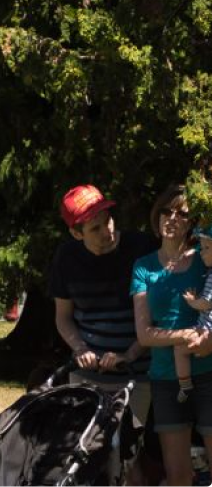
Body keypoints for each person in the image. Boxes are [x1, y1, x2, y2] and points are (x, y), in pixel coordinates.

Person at [49, 184, 155, 422]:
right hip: (87, 373)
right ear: (77, 234)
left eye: (108, 221)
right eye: (95, 228)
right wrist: (80, 348)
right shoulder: (66, 258)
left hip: (136, 374)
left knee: (128, 451)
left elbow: (157, 314)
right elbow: (63, 316)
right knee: (82, 447)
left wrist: (130, 354)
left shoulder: (141, 247)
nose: (106, 232)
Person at [131, 184, 212, 487]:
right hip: (166, 379)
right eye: (166, 211)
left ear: (192, 223)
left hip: (209, 372)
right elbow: (145, 334)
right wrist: (188, 334)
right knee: (178, 476)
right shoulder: (143, 267)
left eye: (182, 213)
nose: (172, 218)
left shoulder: (206, 260)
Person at [177, 225, 212, 401]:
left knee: (180, 348)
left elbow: (207, 304)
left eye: (207, 248)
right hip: (205, 327)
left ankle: (185, 385)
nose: (202, 252)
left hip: (207, 329)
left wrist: (192, 302)